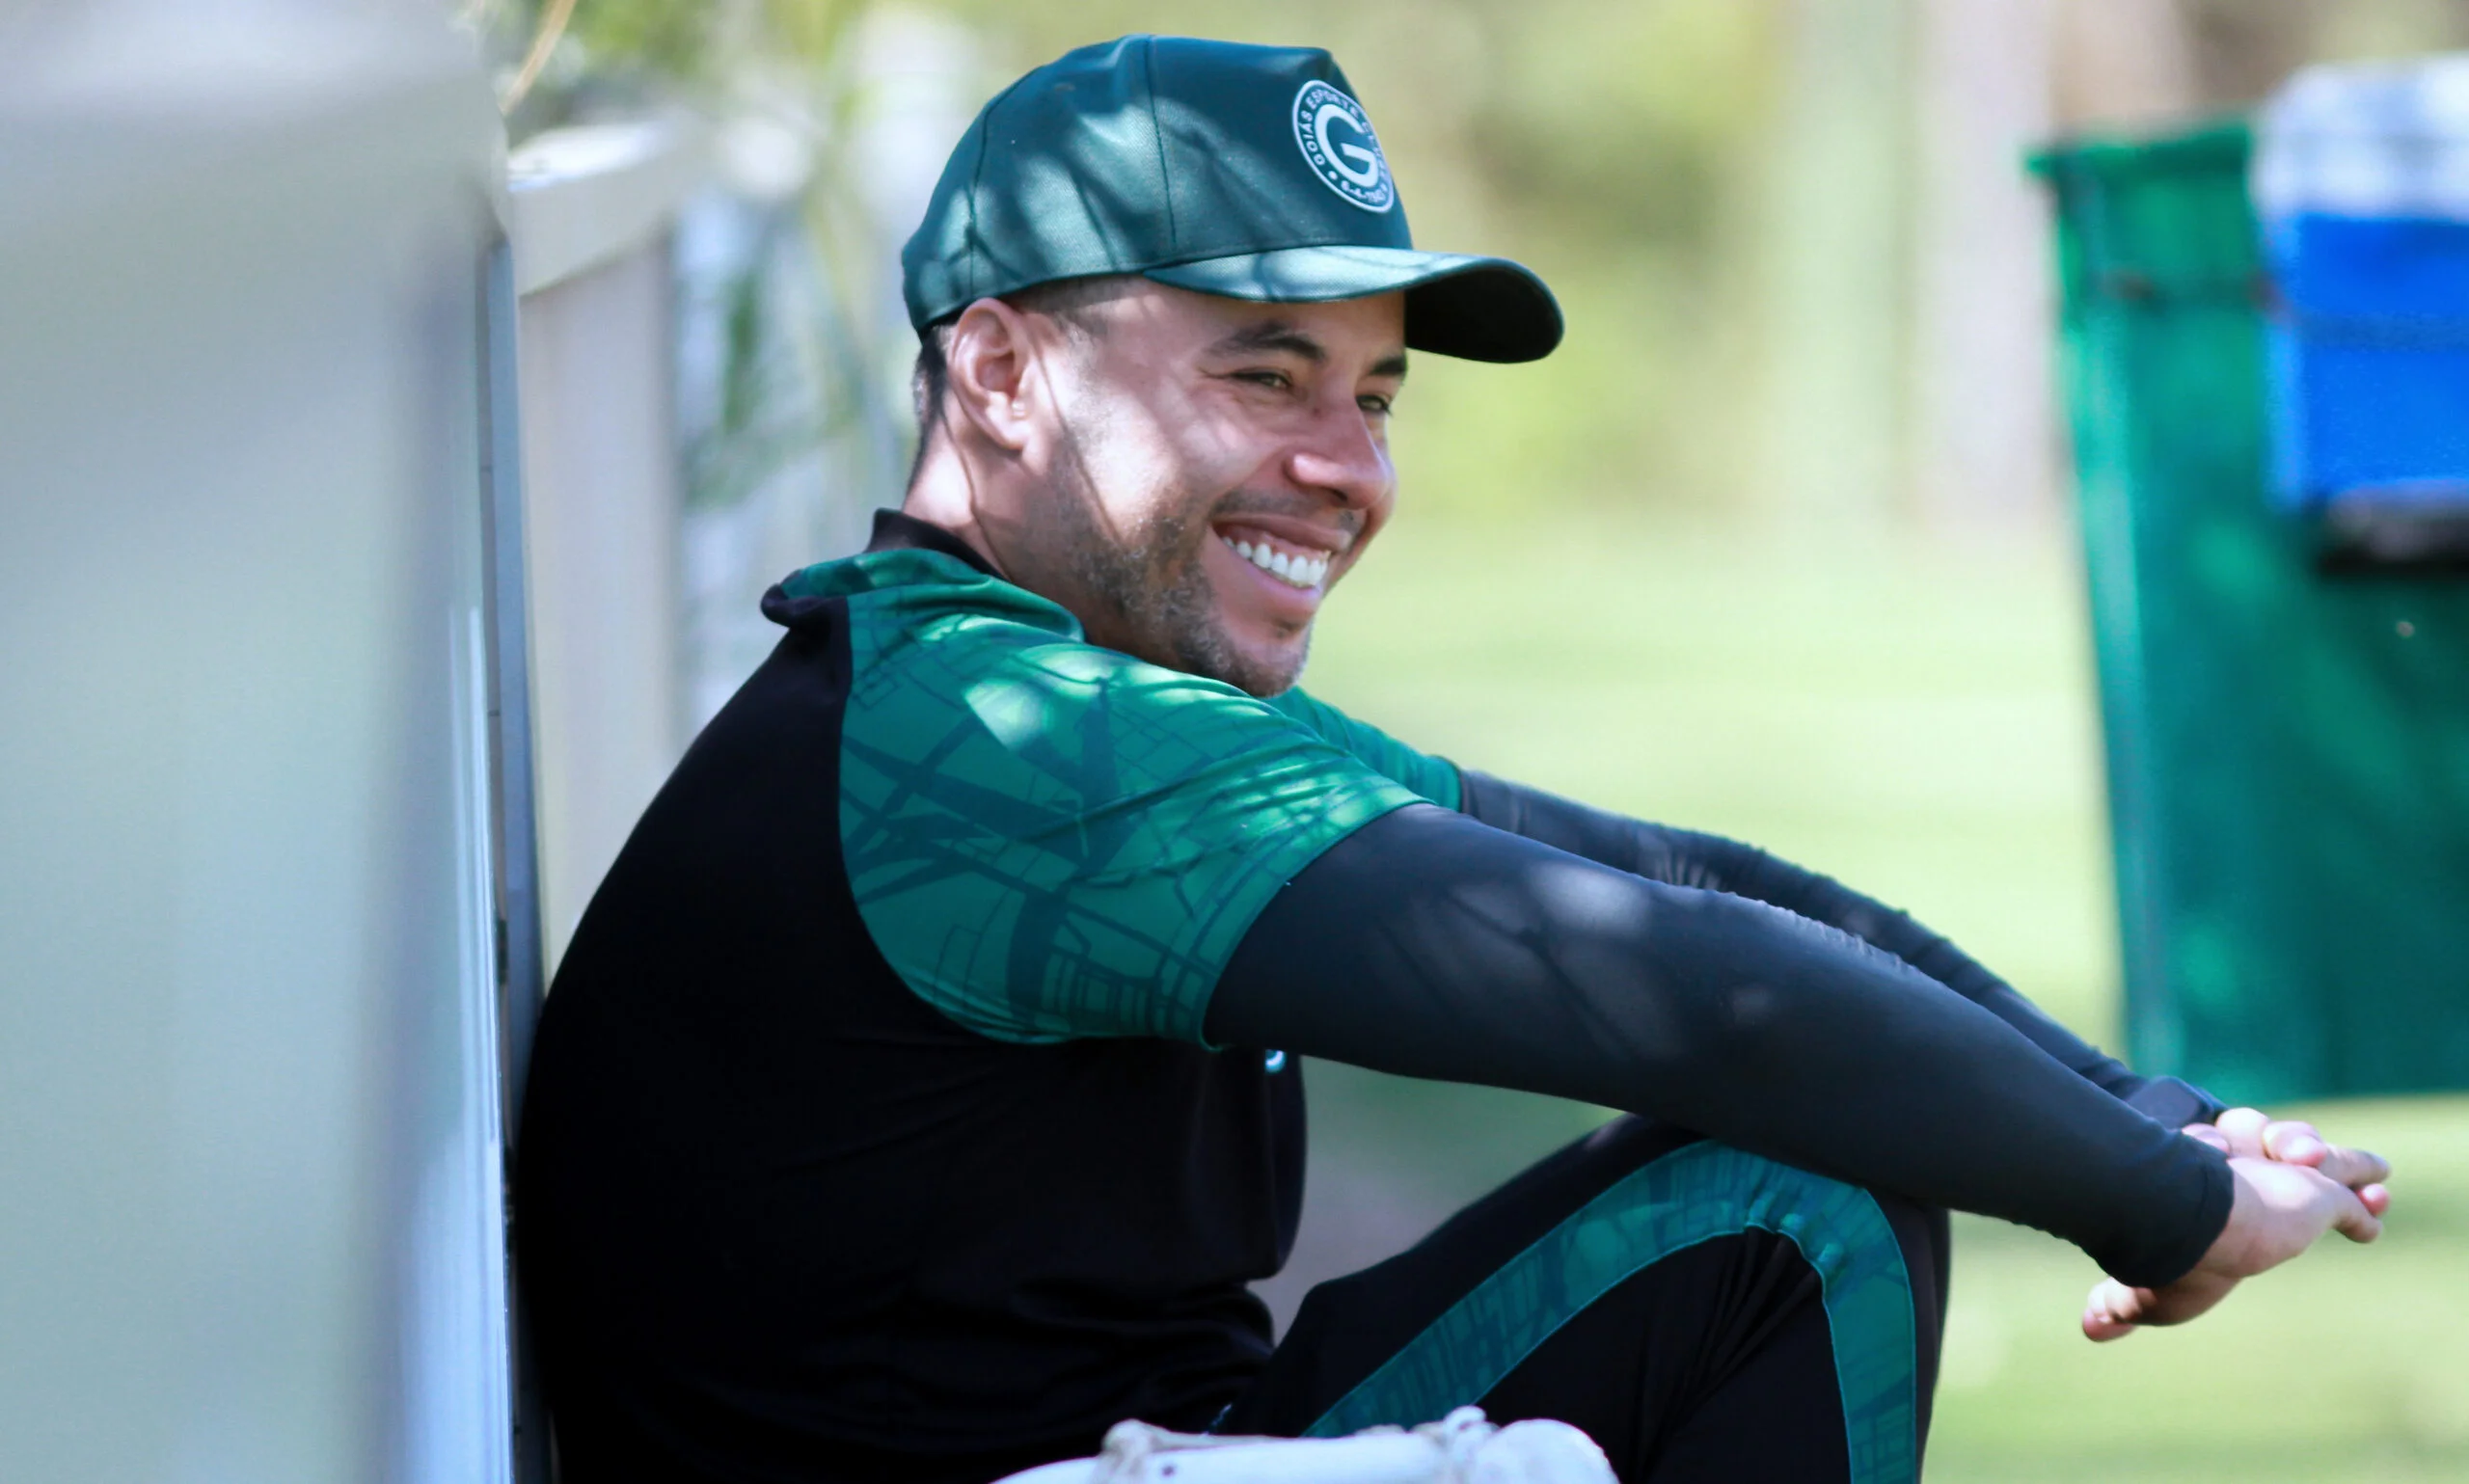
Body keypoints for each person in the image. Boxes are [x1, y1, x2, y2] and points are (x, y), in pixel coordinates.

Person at [515, 35, 2393, 1484]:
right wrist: (2162, 1206)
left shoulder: (1043, 690)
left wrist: (2141, 1111)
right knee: (1784, 1212)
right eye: (1263, 373)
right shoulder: (1008, 742)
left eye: (1374, 393)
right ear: (1001, 374)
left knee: (1786, 1188)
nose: (1347, 466)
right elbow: (1686, 998)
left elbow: (1677, 887)